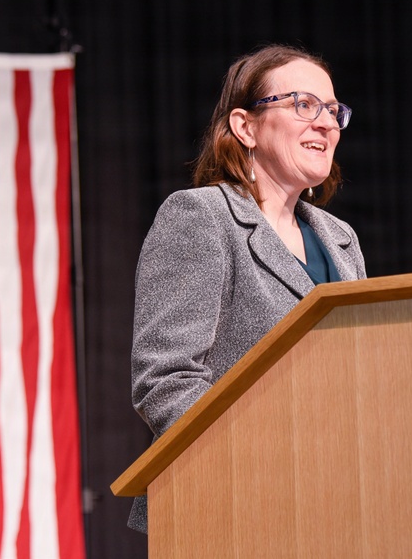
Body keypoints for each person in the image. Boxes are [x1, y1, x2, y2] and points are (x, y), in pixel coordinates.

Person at [127, 44, 366, 533]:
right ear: (245, 126)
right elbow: (166, 378)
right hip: (231, 502)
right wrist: (267, 462)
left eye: (333, 111)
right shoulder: (201, 217)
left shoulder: (342, 240)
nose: (326, 123)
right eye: (304, 105)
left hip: (337, 500)